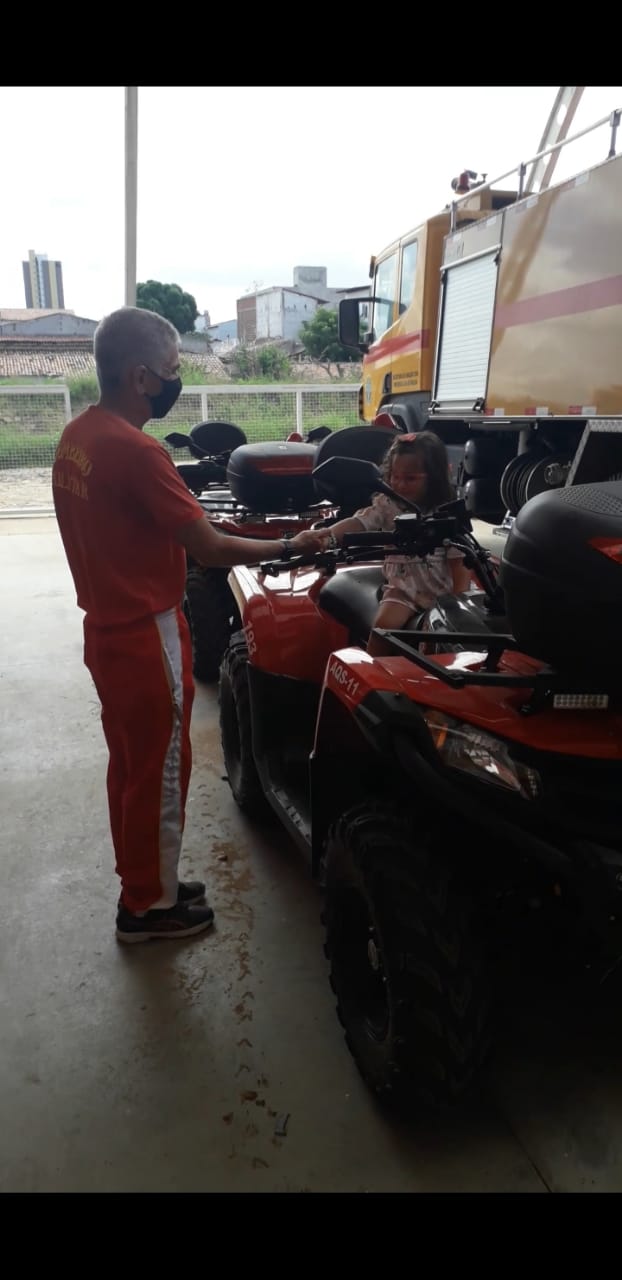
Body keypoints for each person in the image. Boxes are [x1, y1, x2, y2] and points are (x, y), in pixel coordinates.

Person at [52, 306, 328, 944]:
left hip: (107, 629)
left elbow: (152, 524)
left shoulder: (77, 437)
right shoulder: (138, 451)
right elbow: (211, 548)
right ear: (140, 377)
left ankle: (144, 880)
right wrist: (293, 546)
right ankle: (150, 909)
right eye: (172, 370)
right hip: (145, 633)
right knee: (161, 770)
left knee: (131, 767)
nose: (176, 381)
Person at [326, 431, 471, 655]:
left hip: (443, 592)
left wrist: (457, 605)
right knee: (383, 629)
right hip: (403, 590)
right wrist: (327, 535)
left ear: (433, 477)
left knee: (449, 639)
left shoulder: (447, 512)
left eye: (410, 478)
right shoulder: (388, 504)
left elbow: (460, 564)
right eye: (395, 476)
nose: (400, 485)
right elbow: (360, 521)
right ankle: (375, 669)